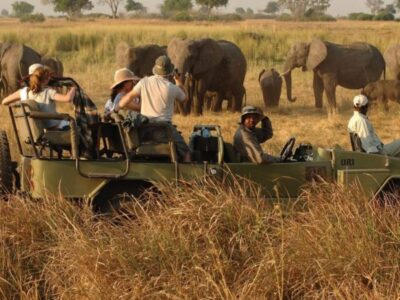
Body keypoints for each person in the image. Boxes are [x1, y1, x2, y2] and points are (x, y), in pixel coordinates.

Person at [118, 55, 191, 162]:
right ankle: (186, 177)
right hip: (163, 130)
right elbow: (185, 98)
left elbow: (124, 102)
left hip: (144, 130)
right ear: (170, 71)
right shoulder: (171, 88)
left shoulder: (144, 82)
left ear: (155, 70)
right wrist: (178, 80)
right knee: (186, 152)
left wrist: (121, 108)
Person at [2, 64, 76, 130]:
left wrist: (17, 105)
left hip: (35, 129)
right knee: (74, 124)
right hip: (53, 127)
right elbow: (68, 98)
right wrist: (73, 86)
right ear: (46, 78)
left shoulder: (22, 92)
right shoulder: (48, 92)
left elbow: (4, 102)